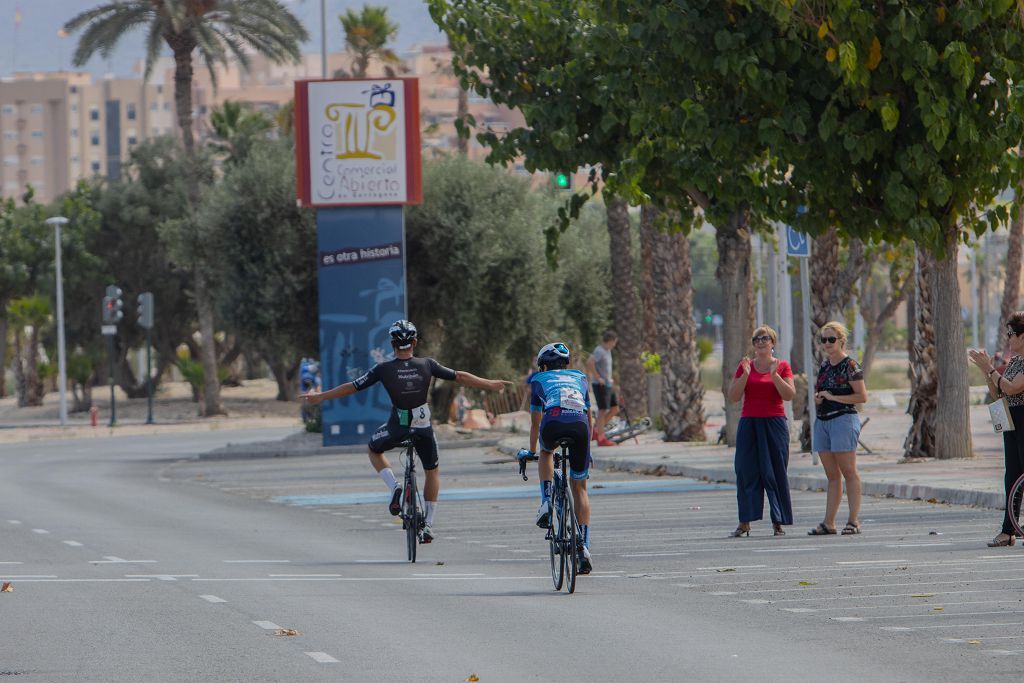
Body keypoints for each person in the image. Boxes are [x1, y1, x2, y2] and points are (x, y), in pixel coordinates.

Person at [302, 320, 510, 543]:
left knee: (374, 449)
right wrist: (490, 384)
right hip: (423, 427)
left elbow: (353, 386)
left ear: (392, 344)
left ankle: (395, 487)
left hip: (397, 427)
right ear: (414, 342)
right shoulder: (428, 364)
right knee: (432, 470)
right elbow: (460, 376)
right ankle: (428, 523)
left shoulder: (383, 369)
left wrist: (320, 397)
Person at [518, 342, 594, 574]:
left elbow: (535, 423)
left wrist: (531, 451)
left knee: (546, 452)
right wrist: (587, 450)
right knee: (580, 488)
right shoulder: (580, 378)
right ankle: (584, 546)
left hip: (553, 422)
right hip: (580, 427)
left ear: (543, 365)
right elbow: (588, 416)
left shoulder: (538, 380)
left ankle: (546, 501)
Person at [726, 325, 796, 537]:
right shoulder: (745, 365)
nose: (761, 342)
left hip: (774, 423)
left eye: (765, 338)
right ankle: (744, 521)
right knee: (745, 471)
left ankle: (778, 521)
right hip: (749, 423)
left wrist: (775, 377)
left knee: (775, 472)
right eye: (757, 339)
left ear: (772, 342)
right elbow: (734, 396)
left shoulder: (782, 366)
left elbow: (789, 394)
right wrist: (745, 375)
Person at [969, 311, 1024, 547]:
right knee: (1011, 474)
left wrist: (992, 370)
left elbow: (1013, 388)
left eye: (1011, 333)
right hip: (1012, 420)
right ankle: (1008, 530)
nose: (1008, 339)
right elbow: (999, 394)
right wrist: (986, 371)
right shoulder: (1015, 361)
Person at [808, 321, 868, 536]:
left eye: (831, 339)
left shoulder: (850, 365)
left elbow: (862, 397)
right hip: (823, 421)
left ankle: (853, 521)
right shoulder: (824, 366)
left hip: (843, 420)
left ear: (841, 341)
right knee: (832, 475)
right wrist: (819, 399)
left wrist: (834, 397)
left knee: (849, 471)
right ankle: (828, 522)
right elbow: (822, 390)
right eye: (824, 340)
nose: (827, 343)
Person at [586, 331, 619, 447]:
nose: (615, 345)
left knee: (615, 408)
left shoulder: (607, 351)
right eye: (614, 342)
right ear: (610, 340)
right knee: (602, 410)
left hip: (608, 384)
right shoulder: (599, 350)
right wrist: (598, 377)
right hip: (600, 385)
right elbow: (590, 363)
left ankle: (596, 430)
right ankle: (601, 438)